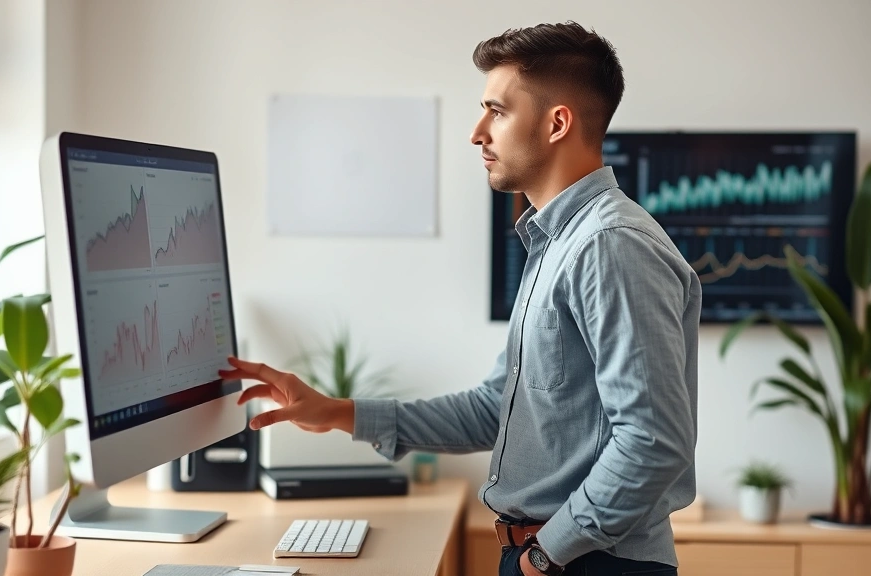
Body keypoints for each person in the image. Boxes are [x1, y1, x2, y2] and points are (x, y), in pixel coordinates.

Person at [221, 21, 700, 576]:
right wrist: (336, 412)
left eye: (497, 111)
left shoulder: (609, 245)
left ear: (557, 123)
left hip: (586, 563)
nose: (477, 133)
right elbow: (497, 409)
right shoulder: (556, 243)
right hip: (555, 557)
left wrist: (545, 555)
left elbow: (653, 443)